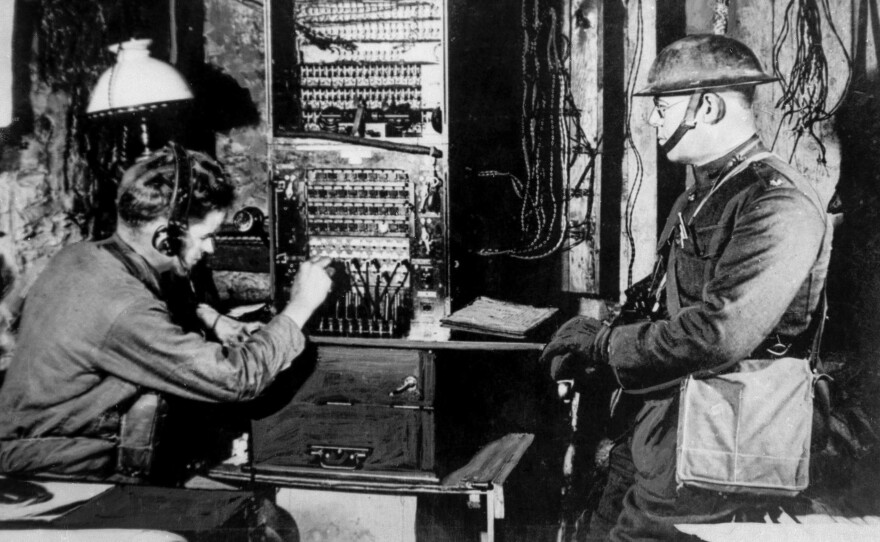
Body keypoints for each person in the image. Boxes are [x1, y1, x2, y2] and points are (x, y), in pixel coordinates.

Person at [541, 34, 831, 540]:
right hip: (658, 426)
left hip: (721, 444)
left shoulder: (776, 205)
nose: (653, 120)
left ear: (709, 105)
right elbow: (663, 301)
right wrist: (598, 333)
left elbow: (717, 334)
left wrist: (606, 343)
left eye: (662, 106)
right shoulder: (704, 195)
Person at [0, 144, 333, 481]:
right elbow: (237, 378)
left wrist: (213, 319)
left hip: (46, 450)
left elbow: (134, 313)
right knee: (261, 522)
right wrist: (300, 306)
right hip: (60, 473)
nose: (210, 248)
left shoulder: (82, 257)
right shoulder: (123, 306)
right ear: (166, 240)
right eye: (204, 237)